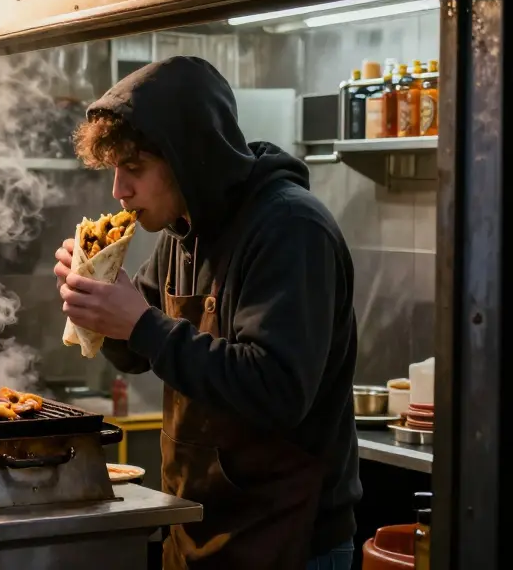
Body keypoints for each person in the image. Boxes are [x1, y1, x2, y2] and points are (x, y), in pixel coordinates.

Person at [53, 57, 361, 569]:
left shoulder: (290, 228)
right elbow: (137, 353)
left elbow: (277, 389)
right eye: (114, 171)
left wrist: (139, 323)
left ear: (188, 158)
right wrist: (97, 306)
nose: (118, 191)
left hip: (286, 536)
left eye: (134, 169)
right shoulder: (183, 229)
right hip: (199, 526)